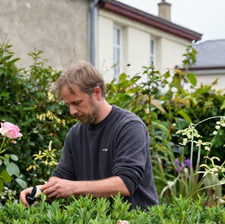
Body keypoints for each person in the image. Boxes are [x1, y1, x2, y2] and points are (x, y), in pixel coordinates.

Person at [19, 61, 159, 210]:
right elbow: (62, 176)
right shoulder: (75, 134)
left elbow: (125, 184)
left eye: (77, 102)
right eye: (68, 105)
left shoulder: (129, 127)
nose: (72, 111)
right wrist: (42, 191)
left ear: (97, 93)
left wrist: (72, 188)